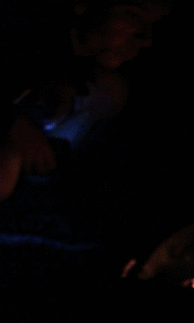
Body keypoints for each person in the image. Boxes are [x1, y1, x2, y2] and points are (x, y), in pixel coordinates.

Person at [0, 1, 169, 202]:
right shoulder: (20, 31)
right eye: (133, 15)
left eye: (153, 25)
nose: (146, 39)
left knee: (110, 91)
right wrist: (16, 126)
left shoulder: (77, 70)